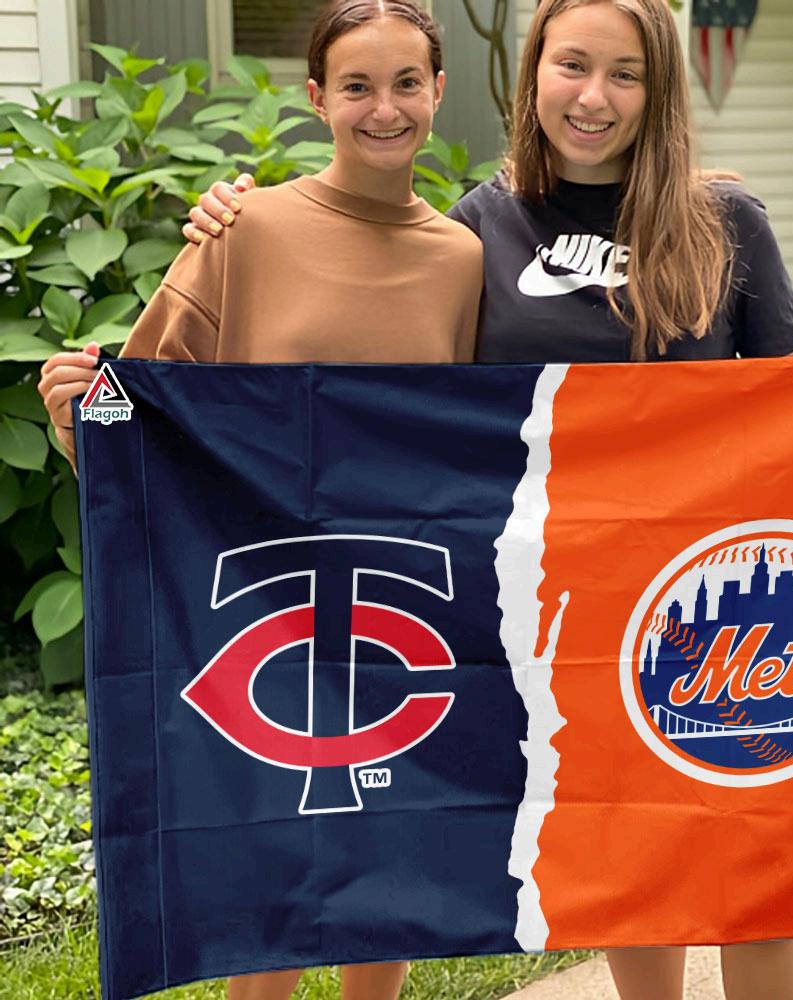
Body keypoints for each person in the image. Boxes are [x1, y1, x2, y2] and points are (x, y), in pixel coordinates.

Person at [69, 1, 793, 999]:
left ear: (658, 90)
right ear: (533, 73)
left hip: (708, 592)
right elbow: (410, 396)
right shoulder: (482, 228)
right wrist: (233, 228)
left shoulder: (724, 219)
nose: (594, 96)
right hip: (564, 604)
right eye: (572, 65)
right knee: (639, 864)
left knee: (756, 872)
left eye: (625, 73)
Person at [37, 3, 481, 1000]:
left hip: (403, 596)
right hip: (262, 598)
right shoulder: (247, 229)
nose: (383, 109)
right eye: (356, 86)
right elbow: (145, 410)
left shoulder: (461, 259)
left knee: (386, 855)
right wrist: (76, 418)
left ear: (438, 91)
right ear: (316, 97)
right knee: (271, 857)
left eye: (406, 84)